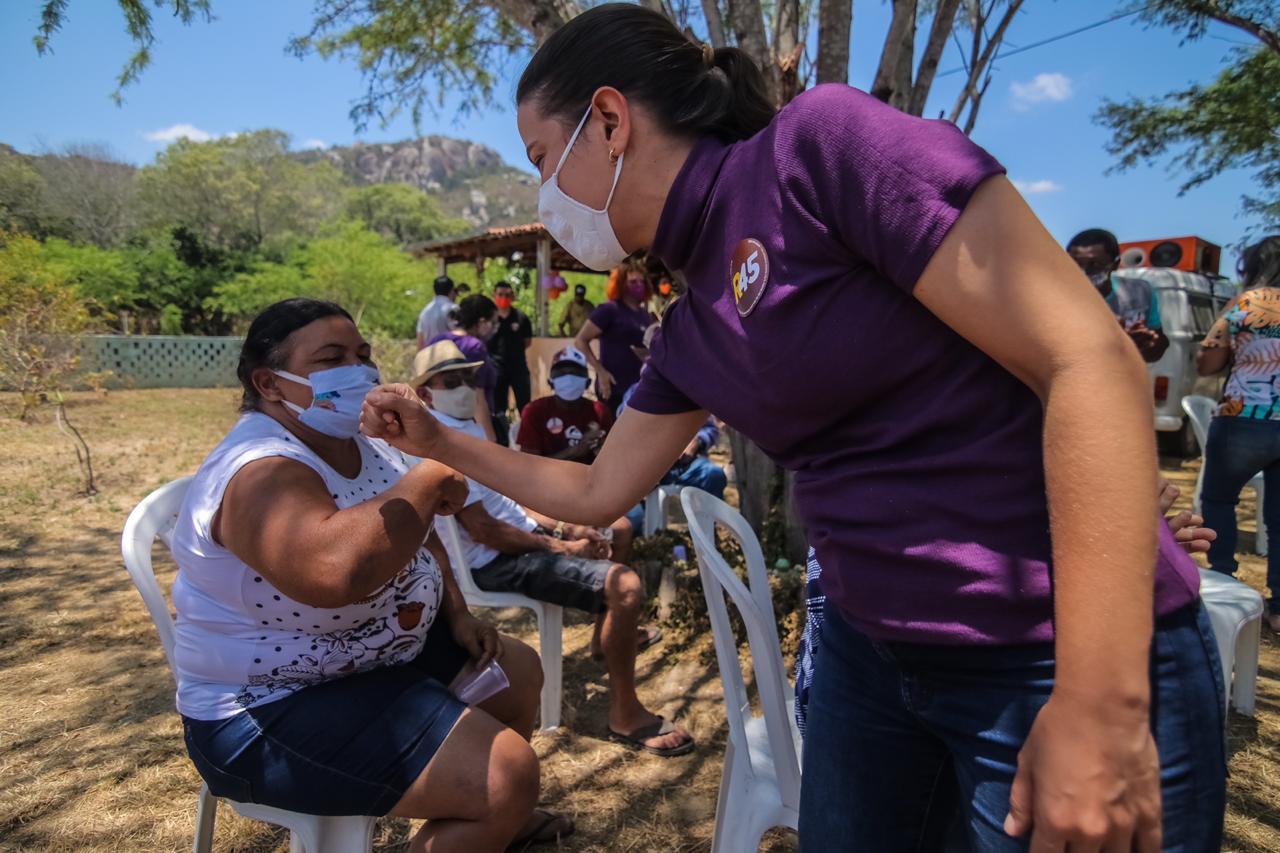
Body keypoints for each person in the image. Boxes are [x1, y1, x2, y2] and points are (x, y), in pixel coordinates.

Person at [362, 5, 1225, 850]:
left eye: (544, 160)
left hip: (1046, 656)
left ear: (612, 120)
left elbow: (1086, 358)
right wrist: (439, 443)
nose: (545, 197)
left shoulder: (816, 149)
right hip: (870, 662)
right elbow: (594, 490)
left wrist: (1097, 703)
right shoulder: (693, 324)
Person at [172, 298, 572, 851]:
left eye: (363, 354)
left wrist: (456, 611)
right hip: (269, 708)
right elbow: (334, 573)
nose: (359, 370)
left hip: (370, 664)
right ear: (269, 383)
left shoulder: (361, 445)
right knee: (507, 774)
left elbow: (417, 532)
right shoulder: (259, 471)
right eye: (332, 357)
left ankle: (492, 818)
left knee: (517, 671)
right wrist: (430, 474)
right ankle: (495, 807)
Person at [408, 344, 692, 757]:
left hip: (518, 541)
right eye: (451, 381)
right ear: (424, 394)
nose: (465, 388)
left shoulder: (460, 428)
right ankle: (626, 714)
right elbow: (486, 531)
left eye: (470, 378)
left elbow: (511, 498)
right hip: (494, 562)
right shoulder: (430, 444)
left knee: (620, 528)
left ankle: (604, 638)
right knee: (625, 586)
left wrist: (567, 525)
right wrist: (564, 545)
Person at [1197, 235, 1280, 632]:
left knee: (1218, 499)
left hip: (1243, 415)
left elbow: (1208, 361)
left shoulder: (1245, 304)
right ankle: (1279, 608)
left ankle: (1224, 582)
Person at [617, 384, 727, 534]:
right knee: (636, 512)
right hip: (651, 467)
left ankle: (706, 535)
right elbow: (624, 431)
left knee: (714, 475)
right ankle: (652, 539)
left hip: (687, 464)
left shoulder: (691, 391)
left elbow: (711, 429)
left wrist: (697, 441)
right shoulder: (636, 393)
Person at [1067, 229, 1170, 363]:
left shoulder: (1140, 291)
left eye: (1095, 265)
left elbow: (1157, 350)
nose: (1083, 272)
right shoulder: (1055, 298)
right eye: (1074, 265)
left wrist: (1141, 345)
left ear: (1115, 264)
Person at [575, 262, 656, 414]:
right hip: (613, 386)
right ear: (620, 284)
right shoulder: (608, 310)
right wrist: (601, 371)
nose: (639, 285)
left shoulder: (645, 314)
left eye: (641, 281)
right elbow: (580, 340)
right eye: (633, 282)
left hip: (638, 388)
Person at [518, 347, 614, 463]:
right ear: (550, 383)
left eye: (576, 372)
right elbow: (528, 466)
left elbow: (612, 461)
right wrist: (575, 450)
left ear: (588, 383)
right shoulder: (534, 411)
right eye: (561, 373)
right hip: (548, 480)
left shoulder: (600, 411)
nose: (569, 378)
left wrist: (602, 452)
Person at [426, 295, 500, 442]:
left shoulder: (438, 340)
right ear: (482, 322)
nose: (494, 327)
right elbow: (478, 396)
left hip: (440, 421)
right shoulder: (474, 347)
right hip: (468, 425)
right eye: (493, 322)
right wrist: (491, 442)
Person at [490, 282, 534, 434]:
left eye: (507, 295)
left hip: (518, 369)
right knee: (497, 408)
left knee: (525, 407)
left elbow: (527, 342)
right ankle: (501, 437)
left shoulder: (521, 317)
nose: (504, 298)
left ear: (512, 296)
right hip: (496, 370)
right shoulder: (489, 319)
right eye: (500, 294)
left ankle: (527, 436)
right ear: (494, 295)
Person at [416, 275, 458, 348]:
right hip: (448, 354)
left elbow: (420, 338)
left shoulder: (425, 311)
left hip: (429, 355)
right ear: (451, 290)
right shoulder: (453, 308)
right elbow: (459, 334)